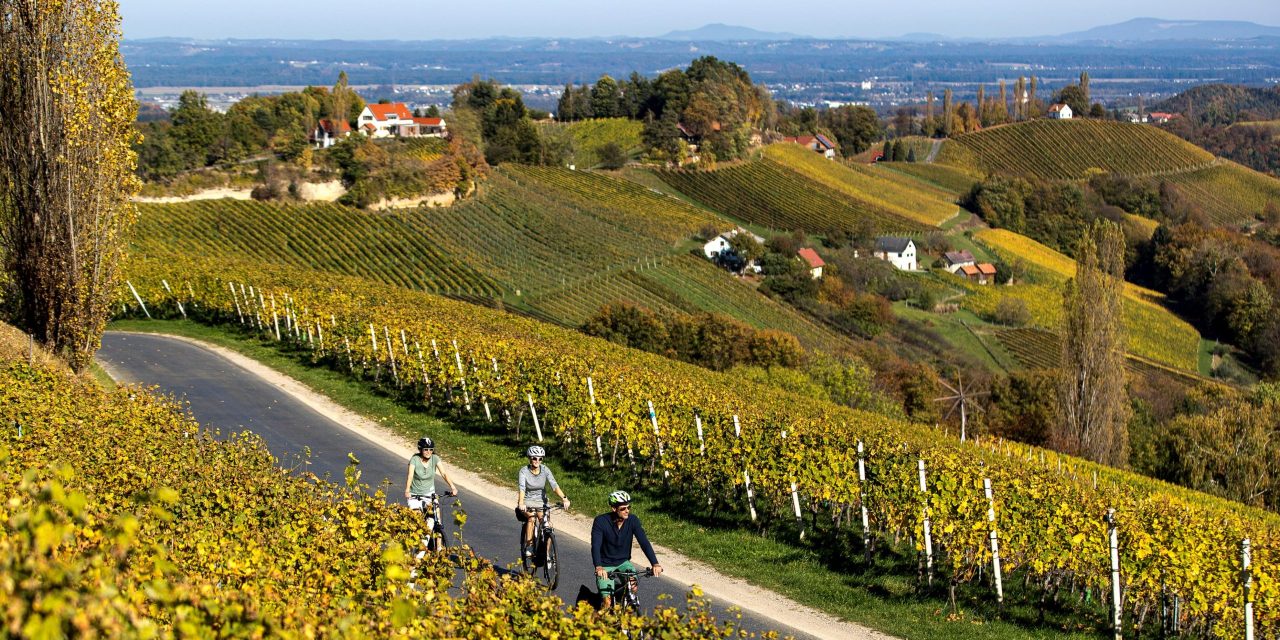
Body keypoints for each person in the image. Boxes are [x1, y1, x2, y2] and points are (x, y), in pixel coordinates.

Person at [591, 490, 662, 609]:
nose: (627, 510)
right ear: (614, 508)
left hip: (623, 562)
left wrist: (655, 563)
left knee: (633, 586)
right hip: (605, 565)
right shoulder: (601, 521)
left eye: (629, 507)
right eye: (623, 508)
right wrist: (598, 567)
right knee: (607, 604)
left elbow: (644, 542)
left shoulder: (633, 520)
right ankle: (594, 624)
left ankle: (624, 610)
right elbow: (596, 546)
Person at [516, 445, 570, 558]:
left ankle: (546, 554)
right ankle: (529, 545)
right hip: (527, 502)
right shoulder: (524, 471)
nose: (537, 461)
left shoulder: (545, 470)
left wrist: (564, 498)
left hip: (541, 502)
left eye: (540, 458)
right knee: (531, 518)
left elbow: (554, 485)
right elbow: (522, 488)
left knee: (547, 525)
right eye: (535, 458)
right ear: (530, 458)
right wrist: (521, 503)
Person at [404, 436, 458, 507]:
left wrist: (453, 487)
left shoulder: (435, 458)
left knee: (436, 513)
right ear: (420, 449)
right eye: (426, 449)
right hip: (415, 494)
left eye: (431, 449)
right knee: (417, 514)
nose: (429, 452)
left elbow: (444, 473)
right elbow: (410, 476)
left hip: (429, 493)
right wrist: (407, 490)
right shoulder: (414, 459)